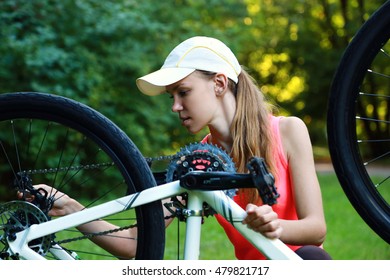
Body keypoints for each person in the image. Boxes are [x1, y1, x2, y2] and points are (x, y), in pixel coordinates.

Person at [29, 36, 331, 260]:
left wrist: (274, 226)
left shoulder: (288, 130)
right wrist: (71, 208)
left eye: (183, 92)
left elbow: (316, 228)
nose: (175, 106)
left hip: (301, 262)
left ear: (219, 83)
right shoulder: (196, 163)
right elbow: (136, 243)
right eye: (171, 96)